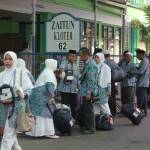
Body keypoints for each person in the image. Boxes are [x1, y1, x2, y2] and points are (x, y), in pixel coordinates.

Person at [0, 51, 33, 150]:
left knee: (7, 133)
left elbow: (29, 88)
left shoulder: (20, 72)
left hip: (15, 107)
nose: (7, 61)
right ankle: (16, 148)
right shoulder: (1, 74)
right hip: (2, 107)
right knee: (8, 131)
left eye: (10, 59)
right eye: (6, 59)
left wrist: (22, 94)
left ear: (14, 60)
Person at [26, 59, 59, 138]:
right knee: (46, 114)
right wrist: (52, 97)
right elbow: (50, 86)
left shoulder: (45, 72)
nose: (56, 66)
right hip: (41, 97)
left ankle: (36, 132)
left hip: (37, 96)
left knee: (38, 114)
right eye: (55, 64)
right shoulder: (49, 73)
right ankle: (49, 132)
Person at [79, 47, 98, 134]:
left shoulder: (91, 64)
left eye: (81, 55)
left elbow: (91, 80)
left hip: (88, 91)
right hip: (85, 90)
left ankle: (91, 128)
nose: (80, 57)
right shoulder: (88, 63)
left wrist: (89, 93)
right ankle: (87, 126)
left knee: (89, 110)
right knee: (86, 109)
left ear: (85, 54)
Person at [58, 50, 80, 119]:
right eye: (70, 56)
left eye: (73, 56)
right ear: (68, 56)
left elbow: (78, 77)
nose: (72, 57)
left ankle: (73, 120)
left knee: (74, 106)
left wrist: (79, 87)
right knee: (65, 106)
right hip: (65, 89)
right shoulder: (64, 62)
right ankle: (65, 120)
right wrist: (61, 71)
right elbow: (61, 69)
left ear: (75, 57)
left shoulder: (76, 65)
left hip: (73, 89)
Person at [103, 50, 119, 117]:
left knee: (107, 98)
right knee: (112, 97)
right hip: (112, 82)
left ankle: (108, 112)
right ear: (109, 55)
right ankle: (113, 112)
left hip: (104, 82)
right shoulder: (112, 62)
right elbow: (117, 70)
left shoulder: (103, 62)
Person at [135, 48, 149, 116]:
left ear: (141, 55)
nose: (137, 57)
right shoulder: (144, 61)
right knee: (143, 99)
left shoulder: (144, 62)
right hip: (143, 83)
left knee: (140, 100)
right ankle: (144, 112)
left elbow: (141, 72)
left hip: (142, 83)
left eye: (137, 55)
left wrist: (134, 71)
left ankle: (136, 114)